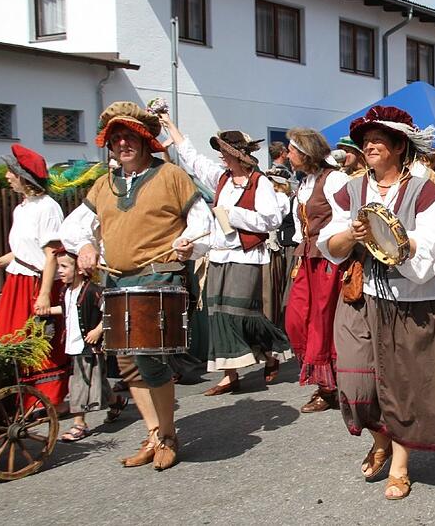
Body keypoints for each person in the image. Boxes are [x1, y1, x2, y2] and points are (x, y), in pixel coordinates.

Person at [60, 101, 211, 470]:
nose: (123, 144)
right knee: (127, 366)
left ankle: (169, 436)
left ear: (145, 142)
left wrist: (189, 241)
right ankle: (155, 433)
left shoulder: (171, 176)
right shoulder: (103, 185)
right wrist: (83, 247)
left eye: (130, 137)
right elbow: (75, 227)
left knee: (150, 359)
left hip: (159, 275)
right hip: (117, 281)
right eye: (116, 139)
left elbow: (202, 221)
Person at [318, 105, 435, 501]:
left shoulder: (426, 188)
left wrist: (392, 237)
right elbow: (331, 243)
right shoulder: (351, 188)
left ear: (398, 146)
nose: (370, 146)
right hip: (361, 297)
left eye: (379, 140)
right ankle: (380, 438)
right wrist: (355, 235)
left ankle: (399, 463)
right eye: (366, 141)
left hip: (410, 299)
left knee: (403, 385)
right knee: (355, 380)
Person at [161, 114, 287, 395]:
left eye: (225, 154)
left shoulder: (260, 183)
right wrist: (170, 126)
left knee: (241, 313)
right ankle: (230, 374)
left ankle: (271, 352)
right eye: (220, 154)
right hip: (218, 255)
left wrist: (234, 215)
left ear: (239, 156)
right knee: (217, 313)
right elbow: (192, 158)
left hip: (246, 255)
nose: (221, 159)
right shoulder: (222, 179)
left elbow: (272, 219)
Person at [0, 144, 69, 410]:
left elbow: (51, 255)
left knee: (41, 343)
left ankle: (50, 401)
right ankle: (22, 397)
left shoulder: (47, 208)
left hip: (38, 283)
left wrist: (45, 294)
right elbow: (23, 250)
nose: (7, 177)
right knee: (10, 338)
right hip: (17, 281)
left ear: (23, 176)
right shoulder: (22, 208)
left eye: (10, 172)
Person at [287, 128, 350, 413]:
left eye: (291, 150)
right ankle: (325, 383)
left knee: (323, 321)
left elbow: (346, 217)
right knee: (297, 318)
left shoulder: (333, 178)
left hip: (329, 258)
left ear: (305, 152)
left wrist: (327, 246)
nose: (287, 155)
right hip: (308, 257)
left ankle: (332, 388)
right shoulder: (307, 181)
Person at [53, 248, 127, 442]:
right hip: (73, 345)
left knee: (79, 384)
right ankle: (116, 402)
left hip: (87, 346)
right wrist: (44, 310)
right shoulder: (65, 291)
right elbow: (65, 310)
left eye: (64, 266)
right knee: (98, 381)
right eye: (58, 266)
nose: (59, 271)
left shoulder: (93, 291)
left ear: (79, 269)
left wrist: (98, 330)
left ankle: (79, 424)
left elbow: (111, 310)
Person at [263, 167, 298, 328]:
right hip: (280, 247)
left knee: (285, 287)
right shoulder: (278, 198)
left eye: (271, 181)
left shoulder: (282, 198)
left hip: (289, 247)